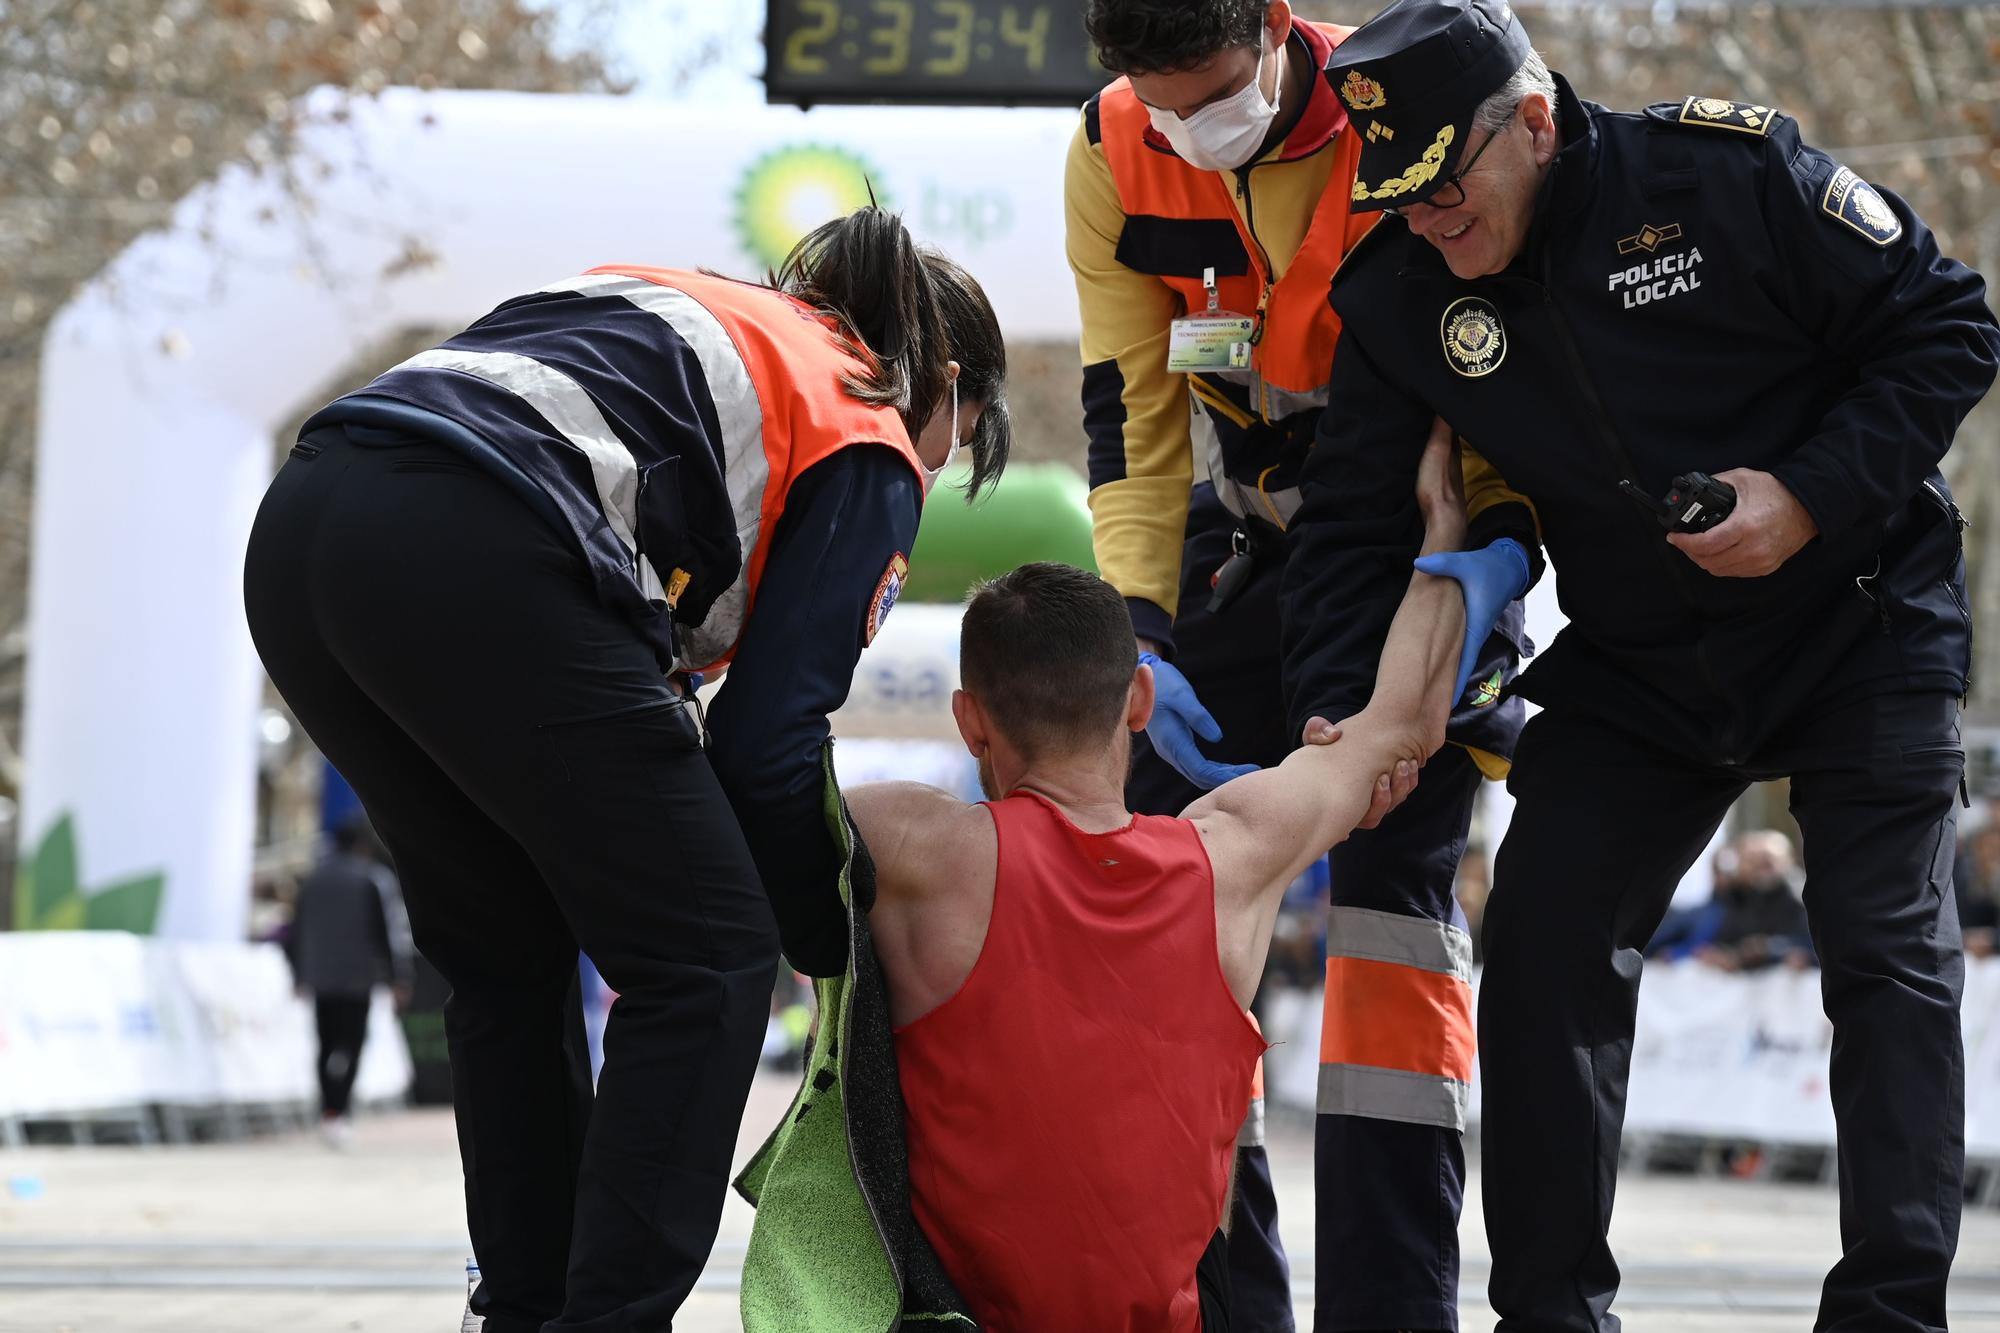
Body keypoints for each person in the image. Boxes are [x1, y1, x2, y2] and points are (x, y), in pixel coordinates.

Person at [1280, 0, 2000, 1326]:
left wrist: (1803, 494)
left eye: (1446, 188)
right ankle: (1550, 1312)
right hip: (1638, 658)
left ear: (1533, 122)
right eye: (1404, 199)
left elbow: (1952, 325)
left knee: (1886, 966)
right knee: (1545, 940)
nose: (1432, 223)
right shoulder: (1399, 287)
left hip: (1858, 617)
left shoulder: (1726, 176)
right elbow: (1352, 523)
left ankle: (1892, 1313)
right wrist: (1342, 712)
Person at [242, 207, 1011, 1333]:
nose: (929, 477)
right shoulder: (863, 414)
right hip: (480, 539)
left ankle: (525, 1310)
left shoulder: (685, 313)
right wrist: (829, 937)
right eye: (958, 444)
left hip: (309, 532)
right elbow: (764, 746)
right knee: (708, 959)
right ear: (944, 380)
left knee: (508, 958)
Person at [1068, 2, 1537, 1324]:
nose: (1186, 131)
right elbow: (1132, 416)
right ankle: (1218, 1299)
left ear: (1280, 31)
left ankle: (1393, 1309)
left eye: (1211, 94)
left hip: (1421, 542)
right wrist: (1139, 635)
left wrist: (1479, 567)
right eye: (1159, 105)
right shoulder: (1112, 144)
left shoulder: (1409, 108)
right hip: (1249, 547)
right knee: (1175, 920)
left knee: (1393, 926)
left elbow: (1503, 356)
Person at [844, 424, 1473, 1332]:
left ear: (970, 722)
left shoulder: (910, 843)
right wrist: (1444, 539)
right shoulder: (1233, 857)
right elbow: (1403, 719)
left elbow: (751, 763)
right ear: (1140, 701)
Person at [284, 816, 414, 1148]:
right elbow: (389, 931)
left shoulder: (313, 880)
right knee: (352, 1046)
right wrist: (399, 977)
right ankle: (340, 1111)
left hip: (320, 978)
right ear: (362, 845)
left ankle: (328, 1109)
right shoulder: (374, 878)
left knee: (324, 1045)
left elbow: (295, 932)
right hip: (359, 978)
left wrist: (299, 975)